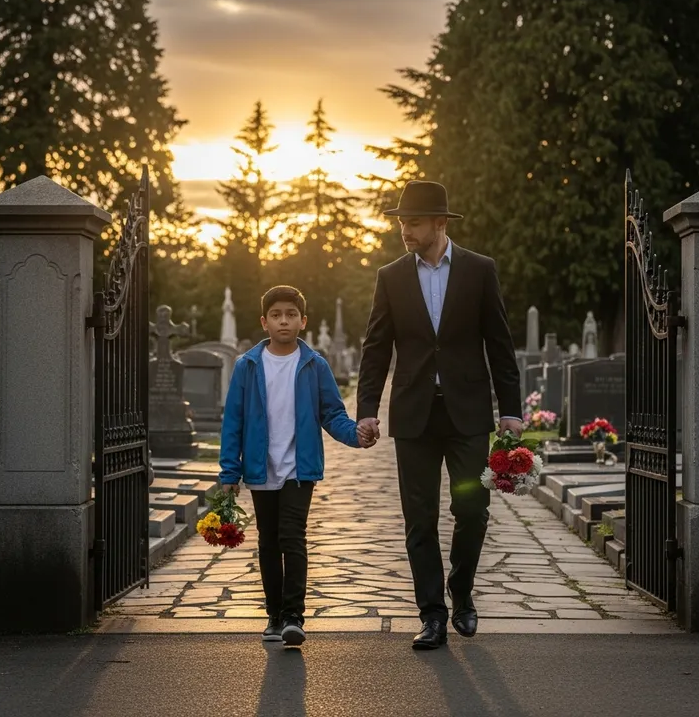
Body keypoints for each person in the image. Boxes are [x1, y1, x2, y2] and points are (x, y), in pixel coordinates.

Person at [356, 180, 523, 650]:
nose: (403, 230)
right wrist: (366, 410)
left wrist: (510, 410)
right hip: (414, 419)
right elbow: (375, 348)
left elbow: (500, 344)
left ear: (439, 223)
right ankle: (432, 614)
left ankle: (462, 591)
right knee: (419, 517)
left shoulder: (479, 270)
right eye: (401, 222)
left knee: (472, 508)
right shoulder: (390, 276)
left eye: (411, 222)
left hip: (467, 415)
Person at [219, 285, 374, 647]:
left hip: (298, 470)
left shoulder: (314, 365)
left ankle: (294, 616)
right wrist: (229, 473)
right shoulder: (248, 366)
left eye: (291, 314)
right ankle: (273, 614)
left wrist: (356, 435)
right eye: (276, 315)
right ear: (264, 322)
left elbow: (332, 413)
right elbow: (234, 422)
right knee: (268, 543)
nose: (283, 320)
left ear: (302, 321)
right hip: (260, 469)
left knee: (293, 537)